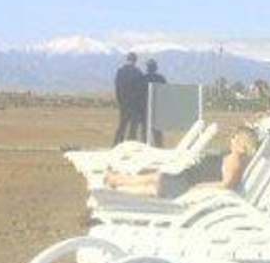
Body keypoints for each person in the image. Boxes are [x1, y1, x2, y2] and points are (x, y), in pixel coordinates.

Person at [104, 126, 258, 199]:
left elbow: (225, 185)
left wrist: (200, 187)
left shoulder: (235, 163)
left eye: (235, 138)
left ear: (241, 144)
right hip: (189, 179)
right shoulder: (235, 159)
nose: (231, 140)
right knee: (156, 179)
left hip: (188, 185)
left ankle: (117, 184)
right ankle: (117, 181)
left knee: (154, 185)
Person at [112, 52, 147, 145]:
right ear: (135, 60)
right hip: (134, 104)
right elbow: (141, 90)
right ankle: (130, 145)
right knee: (133, 127)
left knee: (122, 125)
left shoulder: (120, 71)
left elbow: (117, 88)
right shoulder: (138, 72)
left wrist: (120, 101)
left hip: (124, 103)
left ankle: (116, 145)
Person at [144, 58, 167, 147]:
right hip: (158, 107)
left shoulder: (143, 78)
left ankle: (145, 146)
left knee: (145, 130)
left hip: (145, 108)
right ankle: (159, 146)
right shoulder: (161, 78)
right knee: (157, 130)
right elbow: (165, 92)